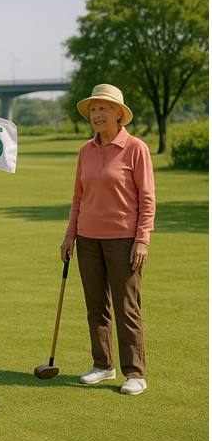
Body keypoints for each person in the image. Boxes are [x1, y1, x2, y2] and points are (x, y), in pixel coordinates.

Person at [60, 83, 154, 395]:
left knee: (127, 306)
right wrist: (70, 235)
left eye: (103, 108)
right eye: (93, 109)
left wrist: (142, 239)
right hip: (87, 239)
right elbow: (78, 198)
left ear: (119, 114)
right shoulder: (85, 151)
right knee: (95, 305)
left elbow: (147, 200)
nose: (96, 114)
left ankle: (135, 373)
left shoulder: (136, 148)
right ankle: (103, 365)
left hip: (124, 240)